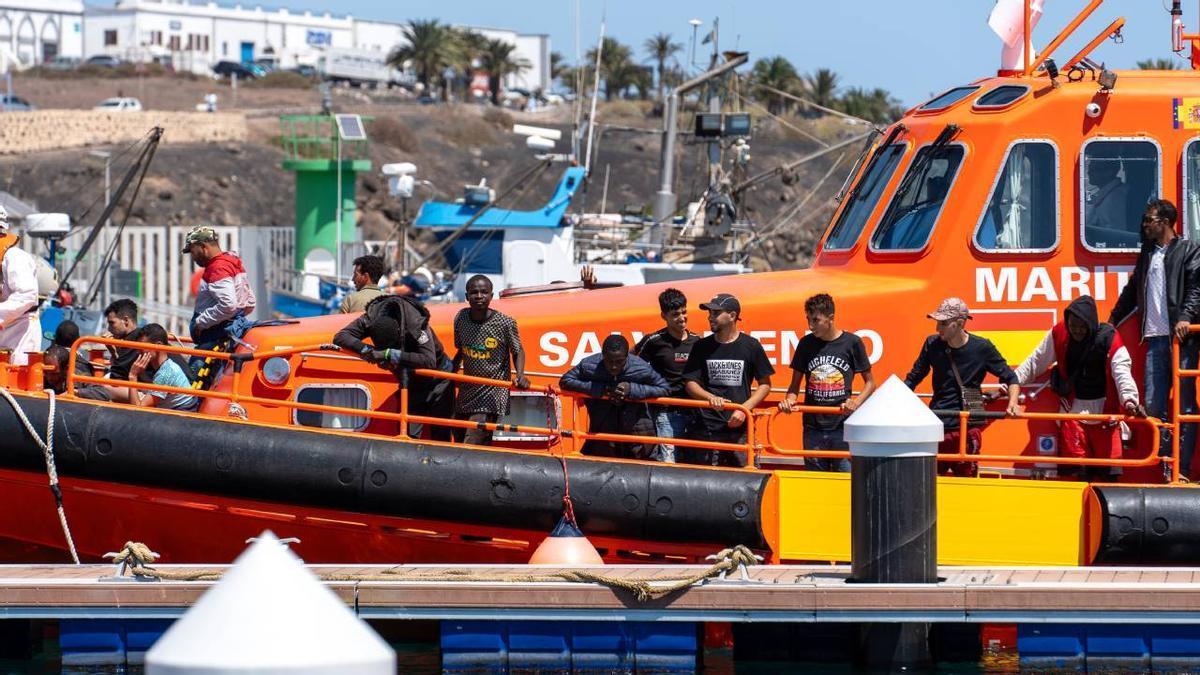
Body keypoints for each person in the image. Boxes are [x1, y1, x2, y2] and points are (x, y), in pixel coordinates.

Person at [1109, 199, 1200, 480]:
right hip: (1153, 338)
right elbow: (1133, 288)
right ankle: (1167, 464)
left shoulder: (1188, 250)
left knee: (1184, 403)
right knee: (1154, 405)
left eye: (1149, 219)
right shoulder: (1148, 253)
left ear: (1165, 222)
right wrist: (1112, 321)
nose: (1144, 225)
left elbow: (1196, 287)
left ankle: (1181, 468)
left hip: (1179, 339)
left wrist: (1186, 316)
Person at [1014, 295, 1143, 482]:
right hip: (1072, 414)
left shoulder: (1109, 338)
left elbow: (1122, 372)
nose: (1077, 331)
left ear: (1091, 323)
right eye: (1073, 326)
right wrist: (1009, 383)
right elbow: (1035, 361)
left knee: (1109, 478)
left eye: (1082, 327)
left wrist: (1130, 401)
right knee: (1076, 475)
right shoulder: (1059, 332)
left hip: (1106, 414)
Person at [904, 297, 1021, 477]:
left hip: (968, 428)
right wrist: (894, 402)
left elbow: (1011, 377)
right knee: (929, 483)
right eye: (937, 322)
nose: (937, 328)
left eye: (943, 323)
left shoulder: (982, 347)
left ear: (959, 323)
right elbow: (913, 378)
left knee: (967, 482)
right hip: (937, 425)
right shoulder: (932, 344)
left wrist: (1012, 402)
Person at [333, 294, 453, 440]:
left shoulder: (416, 325)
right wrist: (370, 351)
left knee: (440, 434)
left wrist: (390, 354)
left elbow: (428, 361)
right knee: (408, 434)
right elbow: (341, 337)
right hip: (411, 382)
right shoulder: (371, 318)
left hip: (438, 378)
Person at [779, 293, 876, 472]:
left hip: (841, 426)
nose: (810, 326)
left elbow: (870, 383)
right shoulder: (805, 344)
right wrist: (789, 400)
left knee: (845, 483)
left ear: (831, 318)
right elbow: (794, 386)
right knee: (816, 485)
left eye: (816, 320)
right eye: (808, 319)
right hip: (812, 428)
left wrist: (856, 402)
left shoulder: (852, 343)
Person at [682, 293, 774, 467]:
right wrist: (709, 397)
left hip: (740, 430)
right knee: (707, 482)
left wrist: (743, 409)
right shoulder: (701, 346)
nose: (710, 317)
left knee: (746, 480)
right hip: (707, 428)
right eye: (709, 313)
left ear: (732, 316)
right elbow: (690, 383)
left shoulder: (751, 345)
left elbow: (765, 384)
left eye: (716, 313)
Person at [561, 334, 670, 459]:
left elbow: (664, 388)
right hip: (602, 425)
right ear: (602, 355)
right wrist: (601, 389)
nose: (614, 366)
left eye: (619, 362)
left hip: (636, 426)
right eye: (609, 361)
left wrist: (631, 389)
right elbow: (565, 381)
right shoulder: (589, 365)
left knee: (640, 461)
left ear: (627, 357)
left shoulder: (641, 367)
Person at [452, 275, 529, 446]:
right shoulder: (461, 318)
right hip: (468, 388)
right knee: (457, 434)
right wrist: (451, 369)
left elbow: (518, 350)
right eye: (474, 292)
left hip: (492, 391)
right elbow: (461, 349)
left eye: (484, 292)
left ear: (491, 296)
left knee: (473, 438)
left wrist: (521, 375)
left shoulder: (505, 323)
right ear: (466, 297)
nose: (479, 296)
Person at [633, 288, 699, 463]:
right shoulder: (654, 341)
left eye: (684, 312)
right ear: (664, 316)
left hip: (695, 413)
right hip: (666, 413)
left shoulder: (697, 341)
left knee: (693, 462)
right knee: (668, 462)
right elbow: (630, 360)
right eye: (675, 314)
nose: (682, 318)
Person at [183, 225, 256, 384]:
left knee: (191, 385)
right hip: (224, 336)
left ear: (203, 247)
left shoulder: (217, 268)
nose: (193, 257)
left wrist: (200, 323)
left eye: (193, 252)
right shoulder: (232, 262)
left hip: (212, 339)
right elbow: (249, 302)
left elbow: (228, 305)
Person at [0, 204, 41, 366]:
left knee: (17, 374)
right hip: (5, 326)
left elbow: (26, 295)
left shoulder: (15, 257)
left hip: (21, 330)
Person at [125, 323, 200, 411]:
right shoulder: (166, 366)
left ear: (159, 345)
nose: (138, 352)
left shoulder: (165, 373)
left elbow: (137, 409)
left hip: (181, 415)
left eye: (142, 347)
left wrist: (132, 376)